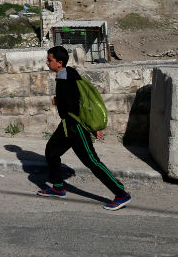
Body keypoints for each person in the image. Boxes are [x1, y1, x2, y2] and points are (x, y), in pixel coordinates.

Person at [37, 45, 132, 210]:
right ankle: (58, 187)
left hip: (76, 127)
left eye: (49, 60)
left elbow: (78, 105)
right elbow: (70, 102)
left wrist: (91, 127)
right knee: (51, 150)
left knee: (92, 162)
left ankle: (121, 194)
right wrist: (58, 101)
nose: (47, 63)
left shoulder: (66, 79)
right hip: (66, 126)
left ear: (59, 62)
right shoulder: (64, 75)